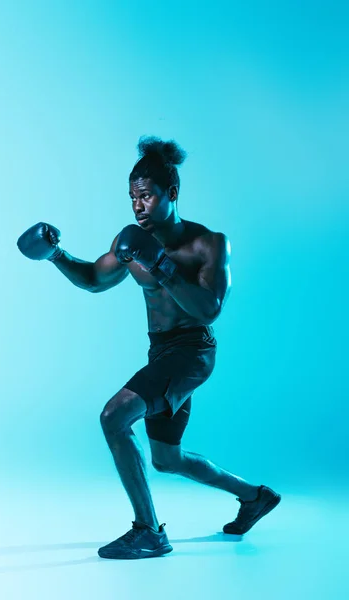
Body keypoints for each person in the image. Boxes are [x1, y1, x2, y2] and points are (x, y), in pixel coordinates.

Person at [17, 136, 281, 560]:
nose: (138, 206)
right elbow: (92, 279)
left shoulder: (208, 243)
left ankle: (148, 531)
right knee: (167, 460)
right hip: (161, 355)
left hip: (193, 351)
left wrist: (161, 265)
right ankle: (254, 497)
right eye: (132, 198)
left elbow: (209, 308)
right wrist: (56, 255)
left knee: (114, 416)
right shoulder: (133, 244)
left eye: (145, 196)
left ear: (171, 194)